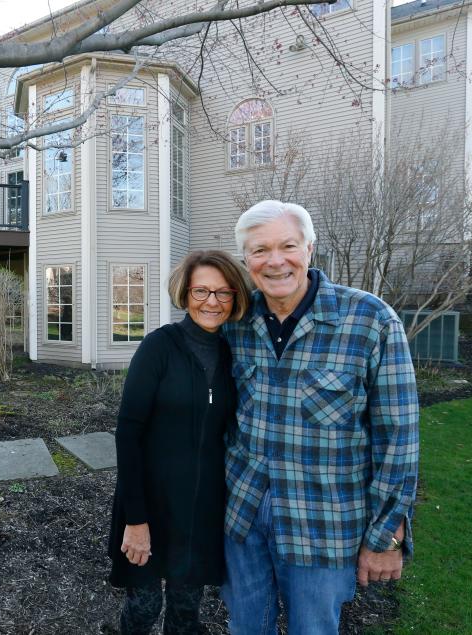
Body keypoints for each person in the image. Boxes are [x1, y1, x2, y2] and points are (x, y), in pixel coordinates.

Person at [220, 200, 420, 635]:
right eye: (259, 250)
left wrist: (387, 535)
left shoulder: (369, 320)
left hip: (324, 524)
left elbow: (398, 438)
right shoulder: (234, 321)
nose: (275, 261)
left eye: (288, 245)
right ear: (246, 260)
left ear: (310, 248)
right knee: (244, 629)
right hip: (243, 516)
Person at [109, 250, 250, 634]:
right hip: (149, 503)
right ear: (185, 294)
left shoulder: (233, 353)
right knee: (144, 608)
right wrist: (136, 521)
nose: (212, 302)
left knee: (186, 615)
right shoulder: (159, 347)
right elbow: (128, 432)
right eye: (201, 291)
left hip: (202, 508)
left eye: (223, 293)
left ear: (235, 298)